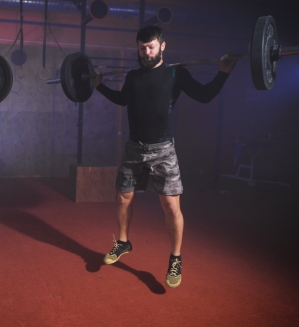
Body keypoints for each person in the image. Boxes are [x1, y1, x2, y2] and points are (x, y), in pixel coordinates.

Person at [93, 25, 237, 288]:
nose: (146, 52)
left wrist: (223, 72)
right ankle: (124, 242)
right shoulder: (133, 76)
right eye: (141, 48)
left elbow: (204, 96)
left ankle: (175, 258)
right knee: (123, 197)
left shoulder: (175, 73)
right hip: (134, 147)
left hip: (163, 150)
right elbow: (122, 99)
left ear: (162, 46)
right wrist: (99, 86)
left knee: (171, 207)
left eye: (150, 47)